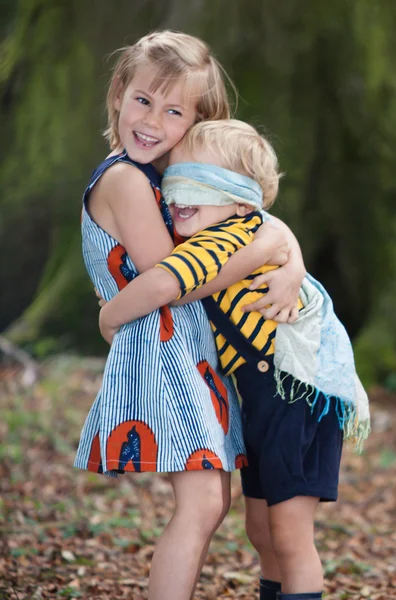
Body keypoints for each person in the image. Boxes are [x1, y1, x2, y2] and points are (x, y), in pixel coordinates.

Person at [74, 31, 306, 600]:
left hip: (189, 353)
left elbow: (256, 217)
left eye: (174, 110)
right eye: (143, 100)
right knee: (202, 502)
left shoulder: (173, 181)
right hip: (161, 351)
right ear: (118, 93)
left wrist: (289, 258)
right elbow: (178, 279)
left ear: (197, 122)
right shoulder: (126, 178)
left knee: (211, 502)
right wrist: (261, 252)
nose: (152, 120)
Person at [98, 119, 371, 600]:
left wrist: (110, 315)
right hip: (264, 401)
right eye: (174, 179)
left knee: (288, 533)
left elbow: (168, 282)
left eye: (198, 183)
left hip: (298, 396)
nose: (177, 194)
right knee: (262, 530)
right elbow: (272, 228)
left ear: (241, 201)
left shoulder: (225, 238)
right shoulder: (218, 226)